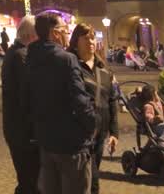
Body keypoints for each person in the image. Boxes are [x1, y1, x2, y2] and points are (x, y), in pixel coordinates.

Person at [28, 12, 97, 194]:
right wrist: (92, 124)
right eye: (65, 30)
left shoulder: (30, 57)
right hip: (71, 142)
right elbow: (79, 99)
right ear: (55, 33)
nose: (68, 34)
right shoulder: (67, 59)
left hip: (46, 140)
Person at [69, 22, 119, 194]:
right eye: (86, 38)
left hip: (101, 132)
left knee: (91, 173)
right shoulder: (71, 66)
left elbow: (112, 100)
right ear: (76, 40)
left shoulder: (103, 68)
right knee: (91, 179)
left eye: (93, 37)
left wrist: (114, 133)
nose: (91, 41)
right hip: (80, 132)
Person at [2, 15, 39, 194]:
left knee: (27, 180)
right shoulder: (21, 55)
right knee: (29, 181)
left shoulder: (14, 52)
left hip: (16, 128)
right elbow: (29, 93)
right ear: (31, 35)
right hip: (23, 131)